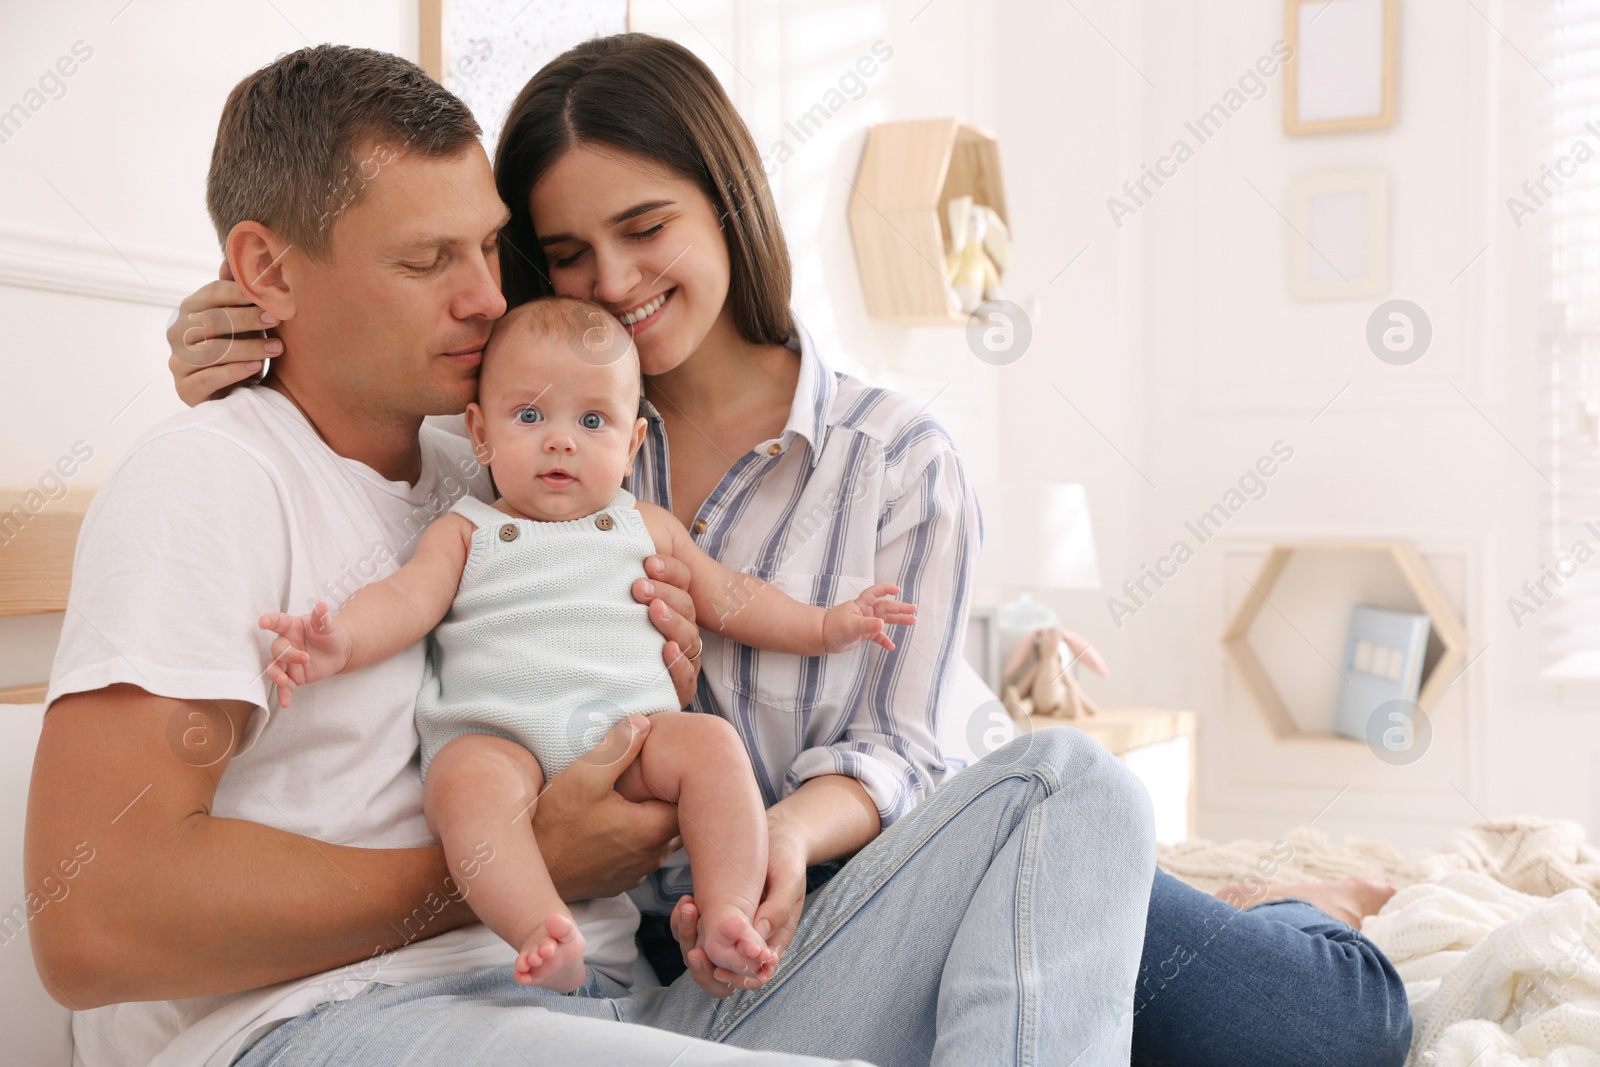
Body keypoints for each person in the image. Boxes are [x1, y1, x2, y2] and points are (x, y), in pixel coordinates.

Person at [160, 35, 1412, 1067]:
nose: (617, 280)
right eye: (567, 254)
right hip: (669, 953)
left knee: (1313, 1023)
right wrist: (217, 330)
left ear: (729, 198)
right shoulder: (524, 436)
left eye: (646, 225)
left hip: (865, 864)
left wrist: (772, 850)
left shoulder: (893, 455)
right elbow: (336, 364)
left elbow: (905, 749)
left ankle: (1290, 909)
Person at [260, 297, 915, 993]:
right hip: (500, 737)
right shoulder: (466, 529)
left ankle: (728, 913)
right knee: (462, 786)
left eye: (592, 420)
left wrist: (825, 625)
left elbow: (732, 597)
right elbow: (405, 600)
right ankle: (542, 929)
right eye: (530, 416)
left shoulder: (646, 526)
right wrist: (340, 642)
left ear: (631, 444)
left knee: (713, 745)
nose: (560, 440)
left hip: (628, 738)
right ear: (480, 433)